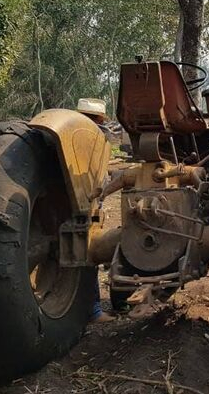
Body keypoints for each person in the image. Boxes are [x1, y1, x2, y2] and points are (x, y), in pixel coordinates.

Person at [76, 98, 116, 324]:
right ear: (100, 119)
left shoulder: (70, 138)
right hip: (85, 207)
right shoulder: (95, 140)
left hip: (78, 204)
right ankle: (93, 311)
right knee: (88, 248)